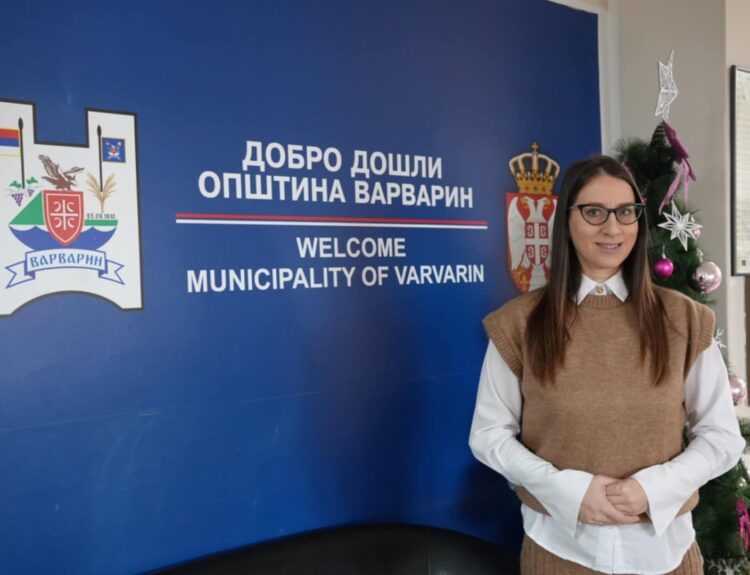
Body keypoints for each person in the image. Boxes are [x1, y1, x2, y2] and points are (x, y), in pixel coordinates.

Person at [469, 155, 745, 574]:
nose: (613, 228)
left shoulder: (684, 320)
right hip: (558, 552)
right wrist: (570, 492)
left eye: (625, 212)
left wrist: (652, 489)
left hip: (665, 554)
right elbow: (489, 435)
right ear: (566, 220)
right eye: (594, 212)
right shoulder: (520, 324)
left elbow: (721, 437)